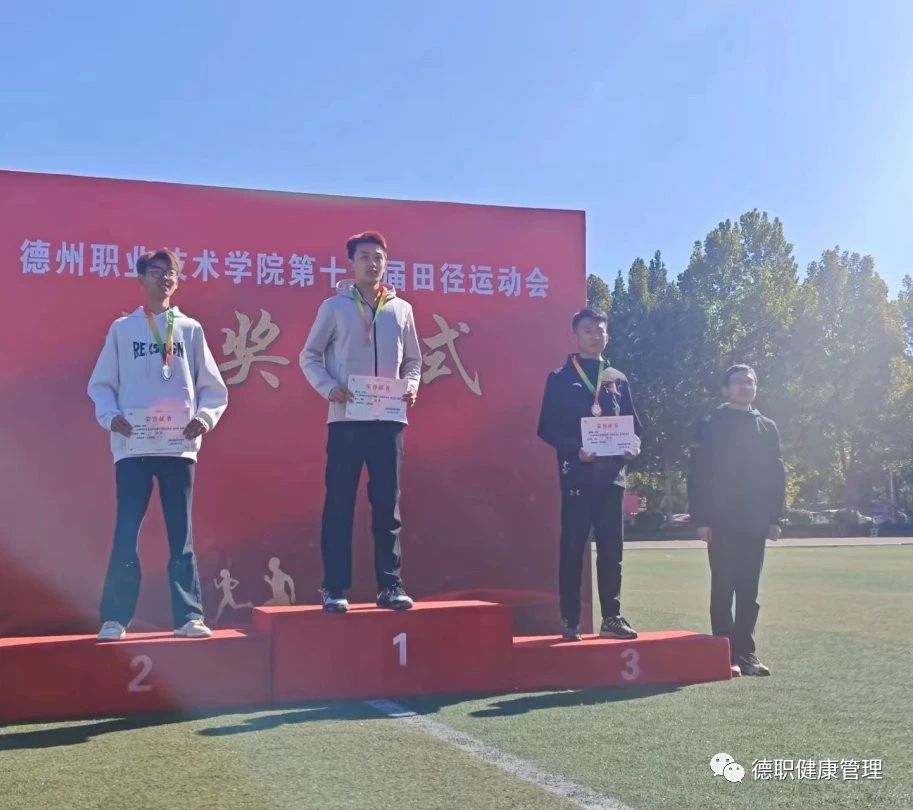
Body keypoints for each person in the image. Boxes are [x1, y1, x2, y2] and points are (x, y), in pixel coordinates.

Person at [88, 248, 228, 641]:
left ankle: (189, 617)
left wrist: (204, 418)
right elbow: (101, 385)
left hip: (177, 447)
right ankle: (115, 619)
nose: (164, 278)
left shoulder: (190, 329)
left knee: (181, 535)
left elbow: (212, 387)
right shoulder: (122, 330)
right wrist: (110, 416)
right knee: (126, 532)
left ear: (177, 282)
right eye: (155, 271)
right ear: (141, 279)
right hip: (133, 446)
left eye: (170, 273)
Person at [299, 231, 422, 613]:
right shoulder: (334, 307)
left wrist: (411, 386)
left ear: (387, 263)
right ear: (351, 263)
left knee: (388, 505)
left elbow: (413, 361)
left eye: (379, 257)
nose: (372, 263)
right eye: (365, 256)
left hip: (388, 421)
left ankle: (391, 585)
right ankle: (334, 587)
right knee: (340, 503)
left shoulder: (401, 309)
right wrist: (329, 388)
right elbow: (309, 356)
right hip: (347, 419)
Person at [537, 308, 643, 641]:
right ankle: (571, 620)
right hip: (578, 477)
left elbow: (633, 426)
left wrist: (633, 446)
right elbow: (546, 428)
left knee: (612, 551)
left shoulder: (617, 378)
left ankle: (611, 617)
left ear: (607, 335)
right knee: (573, 549)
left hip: (612, 478)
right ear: (576, 336)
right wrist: (575, 449)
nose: (595, 336)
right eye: (588, 330)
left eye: (600, 330)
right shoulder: (559, 377)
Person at [688, 364, 785, 677]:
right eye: (738, 382)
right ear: (725, 389)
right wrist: (701, 519)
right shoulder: (709, 425)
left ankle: (747, 653)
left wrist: (775, 517)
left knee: (748, 589)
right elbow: (698, 475)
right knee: (723, 585)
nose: (745, 386)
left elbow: (776, 474)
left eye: (750, 381)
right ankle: (724, 652)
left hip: (755, 519)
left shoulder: (767, 427)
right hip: (719, 520)